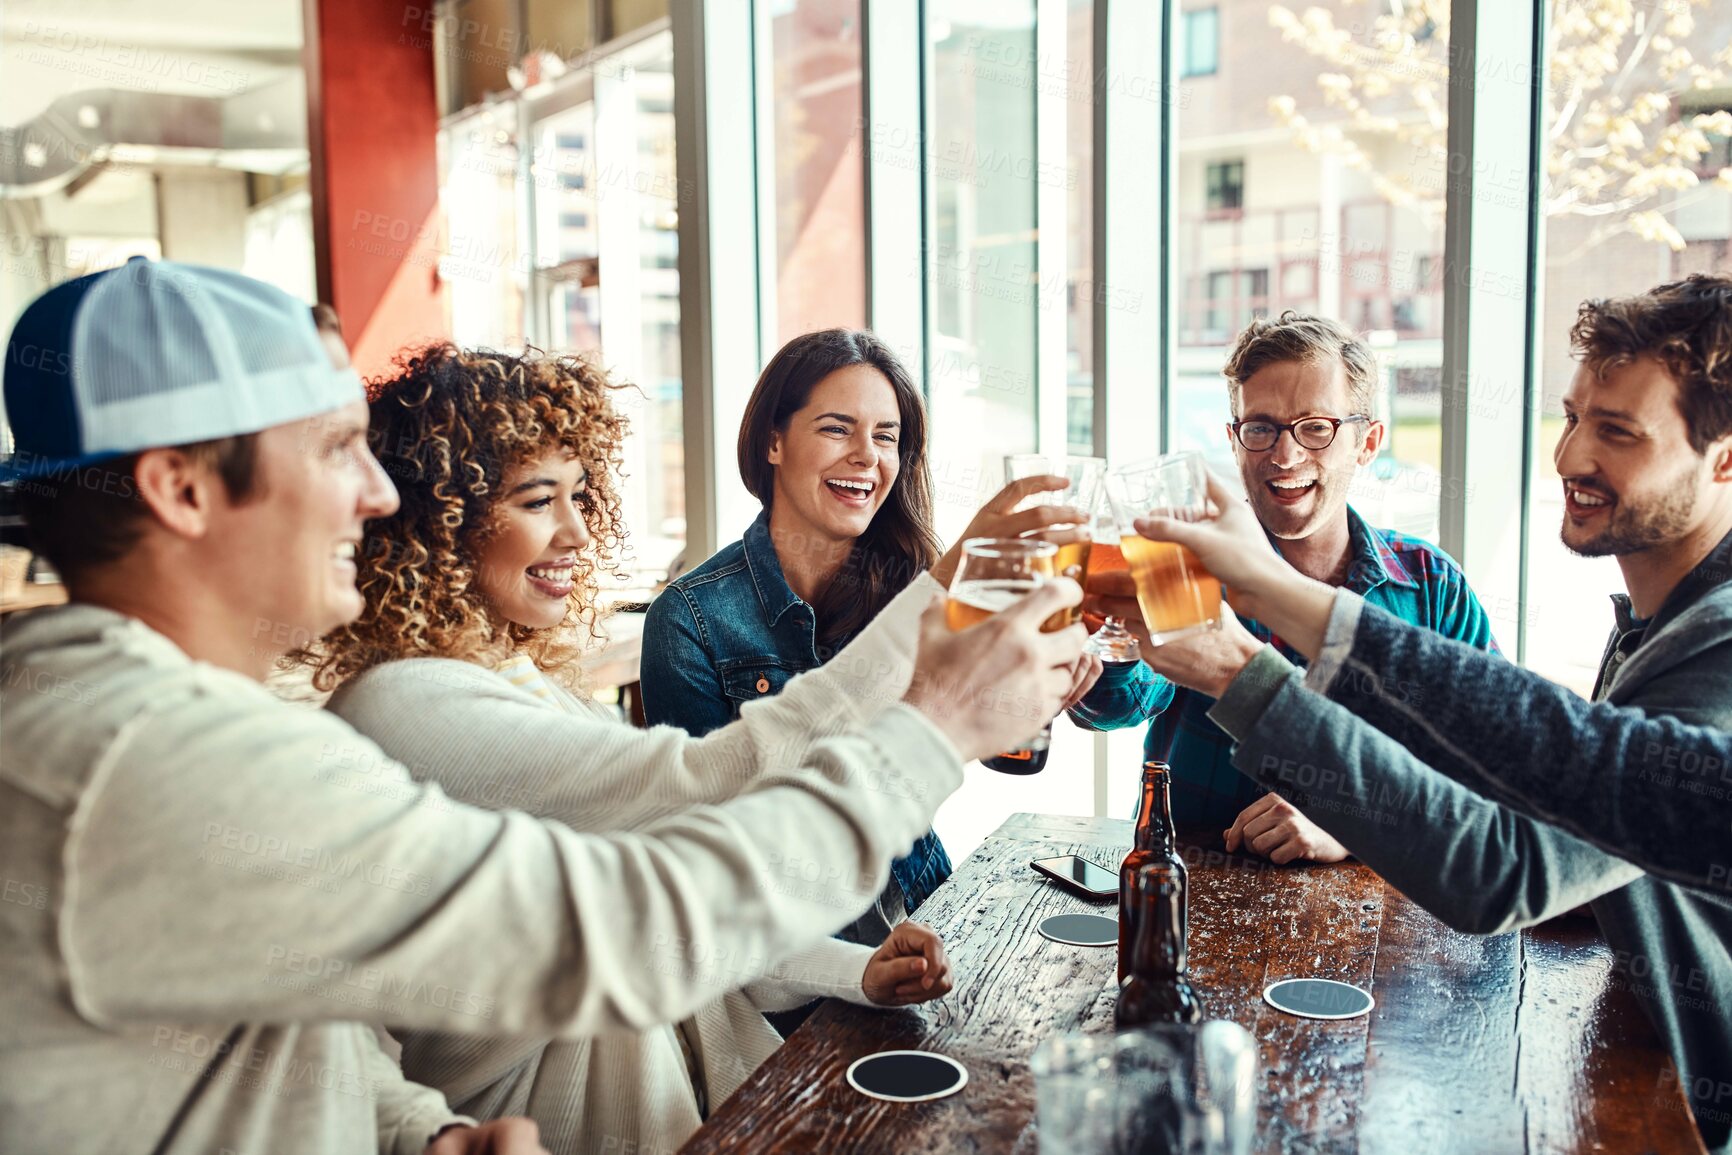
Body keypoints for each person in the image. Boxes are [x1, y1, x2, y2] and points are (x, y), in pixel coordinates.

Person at [0, 260, 1087, 1155]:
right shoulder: (154, 758)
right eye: (333, 450)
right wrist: (933, 730)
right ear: (180, 488)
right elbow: (620, 921)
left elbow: (288, 1030)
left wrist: (419, 1134)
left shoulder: (137, 721)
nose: (377, 495)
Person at [1093, 276, 1732, 1151]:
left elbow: (1502, 858)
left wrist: (1254, 642)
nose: (1569, 456)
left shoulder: (1713, 642)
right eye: (1573, 416)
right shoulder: (1661, 631)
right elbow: (1542, 813)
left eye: (1616, 430)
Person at [308, 343, 960, 1154]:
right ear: (443, 521)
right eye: (538, 500)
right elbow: (704, 791)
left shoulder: (515, 681)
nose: (578, 531)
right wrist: (948, 657)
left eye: (579, 496)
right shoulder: (403, 704)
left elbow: (672, 909)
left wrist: (852, 972)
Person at [640, 328, 1096, 938]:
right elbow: (724, 839)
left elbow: (987, 748)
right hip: (790, 957)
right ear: (773, 441)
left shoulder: (914, 581)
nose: (867, 456)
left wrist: (1026, 694)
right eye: (836, 428)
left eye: (886, 437)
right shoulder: (689, 620)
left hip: (927, 915)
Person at [1070, 311, 1497, 860]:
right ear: (1234, 439)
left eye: (1316, 427)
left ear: (1367, 443)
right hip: (1193, 892)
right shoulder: (1191, 566)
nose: (1285, 455)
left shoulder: (1432, 584)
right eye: (1261, 427)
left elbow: (1486, 771)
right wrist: (1107, 636)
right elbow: (1116, 707)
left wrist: (1351, 825)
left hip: (1385, 916)